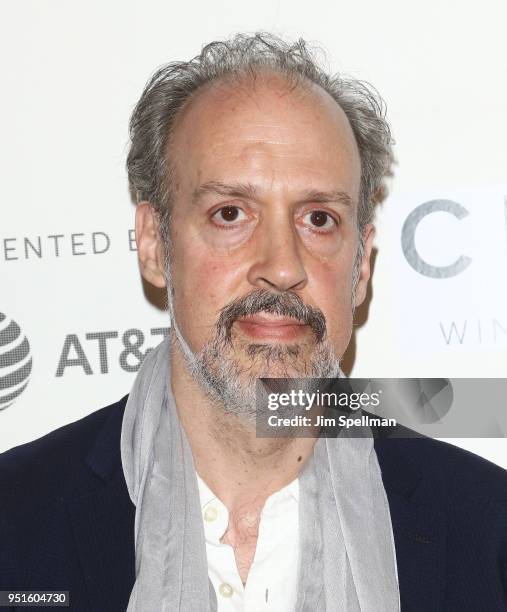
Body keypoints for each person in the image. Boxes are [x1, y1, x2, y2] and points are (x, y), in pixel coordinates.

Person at [1, 32, 506, 612]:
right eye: (231, 213)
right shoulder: (16, 520)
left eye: (319, 218)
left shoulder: (485, 532)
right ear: (153, 245)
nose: (282, 266)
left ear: (361, 265)